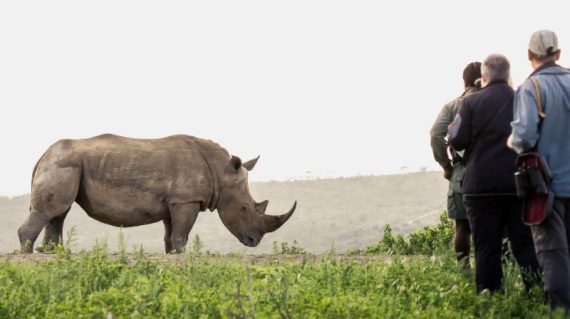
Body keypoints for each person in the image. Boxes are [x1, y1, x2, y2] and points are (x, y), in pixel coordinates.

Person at [447, 54, 540, 293]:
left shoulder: (471, 103)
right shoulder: (522, 98)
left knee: (486, 248)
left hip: (481, 186)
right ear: (508, 75)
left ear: (483, 77)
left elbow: (456, 139)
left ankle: (491, 298)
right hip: (517, 184)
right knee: (525, 245)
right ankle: (537, 294)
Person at [509, 29, 570, 313]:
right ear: (558, 53)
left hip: (549, 188)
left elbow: (524, 138)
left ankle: (560, 312)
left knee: (554, 255)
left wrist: (512, 141)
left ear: (530, 55)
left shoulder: (530, 89)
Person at [430, 61, 481, 269]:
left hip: (461, 173)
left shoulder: (452, 106)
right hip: (492, 170)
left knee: (462, 226)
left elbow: (436, 134)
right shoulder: (494, 101)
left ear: (464, 81)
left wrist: (447, 167)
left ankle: (463, 270)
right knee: (496, 227)